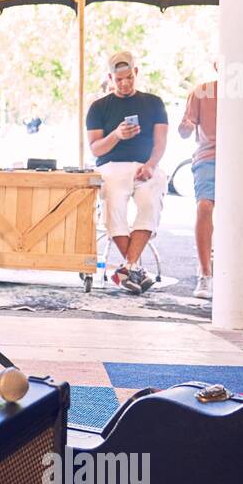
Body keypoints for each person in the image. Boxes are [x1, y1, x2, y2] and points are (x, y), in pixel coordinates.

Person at [84, 50, 169, 294]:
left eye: (128, 77)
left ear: (136, 73)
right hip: (111, 165)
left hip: (145, 165)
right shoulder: (99, 107)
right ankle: (132, 267)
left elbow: (161, 141)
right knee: (114, 204)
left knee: (151, 199)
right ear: (110, 78)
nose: (124, 83)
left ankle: (127, 268)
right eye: (118, 79)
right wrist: (117, 135)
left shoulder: (154, 102)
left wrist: (151, 164)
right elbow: (95, 147)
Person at [178, 73, 217, 300]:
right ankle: (205, 273)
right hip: (208, 157)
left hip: (242, 158)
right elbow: (185, 130)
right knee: (204, 206)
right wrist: (187, 127)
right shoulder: (201, 91)